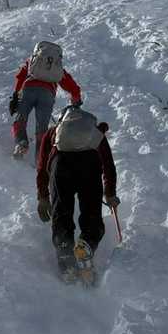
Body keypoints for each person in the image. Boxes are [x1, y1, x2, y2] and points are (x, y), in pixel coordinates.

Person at [35, 104, 119, 283]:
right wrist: (110, 193)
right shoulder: (94, 132)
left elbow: (42, 166)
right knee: (92, 216)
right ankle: (85, 245)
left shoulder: (53, 132)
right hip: (89, 165)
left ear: (62, 120)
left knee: (61, 216)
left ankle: (67, 260)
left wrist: (43, 196)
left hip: (60, 166)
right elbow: (108, 164)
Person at [8, 40, 82, 158]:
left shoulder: (32, 61)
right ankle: (40, 159)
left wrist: (16, 95)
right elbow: (70, 84)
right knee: (42, 128)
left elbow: (21, 76)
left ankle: (21, 143)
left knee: (20, 119)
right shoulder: (56, 67)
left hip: (28, 90)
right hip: (47, 95)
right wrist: (76, 99)